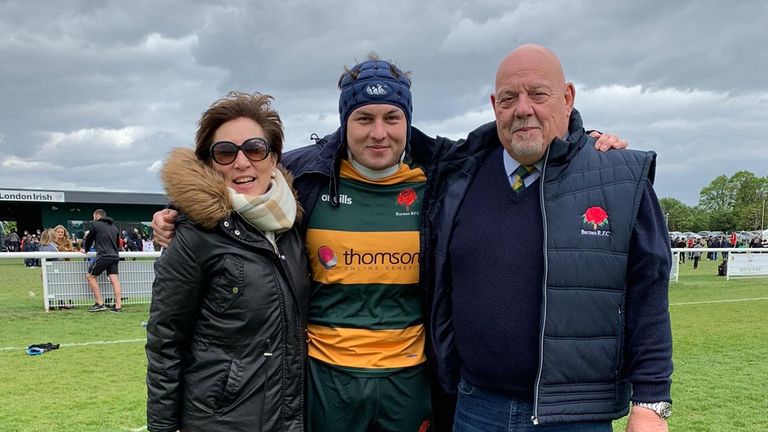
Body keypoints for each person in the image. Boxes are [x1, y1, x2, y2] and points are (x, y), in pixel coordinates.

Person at [151, 55, 627, 432]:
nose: (378, 133)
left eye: (391, 117)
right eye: (363, 118)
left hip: (410, 383)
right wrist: (182, 211)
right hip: (325, 383)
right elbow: (238, 185)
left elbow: (520, 135)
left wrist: (584, 141)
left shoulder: (443, 176)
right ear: (344, 123)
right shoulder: (306, 178)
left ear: (407, 121)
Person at [429, 44, 672, 431]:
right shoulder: (460, 173)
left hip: (574, 417)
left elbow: (649, 293)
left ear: (567, 97)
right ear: (495, 106)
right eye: (509, 98)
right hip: (475, 409)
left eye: (537, 94)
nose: (523, 108)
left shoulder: (618, 177)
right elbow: (382, 137)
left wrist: (650, 404)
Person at [145, 91, 309, 432]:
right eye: (225, 152)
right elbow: (166, 341)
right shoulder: (193, 234)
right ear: (209, 162)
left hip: (291, 417)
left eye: (254, 148)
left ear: (274, 156)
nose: (241, 162)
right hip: (219, 421)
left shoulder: (294, 225)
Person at [82, 209, 122, 312]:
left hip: (104, 255)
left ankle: (99, 303)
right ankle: (118, 306)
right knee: (114, 280)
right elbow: (118, 244)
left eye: (93, 217)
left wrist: (85, 249)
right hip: (115, 256)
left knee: (90, 276)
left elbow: (89, 239)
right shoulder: (114, 227)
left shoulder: (96, 225)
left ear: (97, 216)